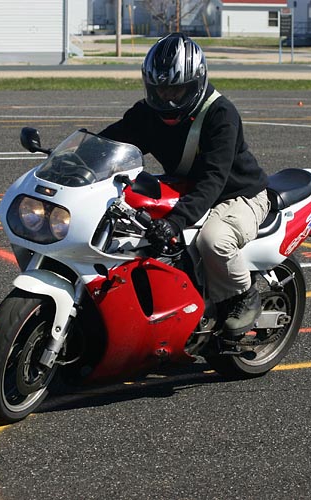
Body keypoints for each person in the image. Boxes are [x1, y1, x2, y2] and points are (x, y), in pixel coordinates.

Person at [99, 33, 270, 340]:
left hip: (239, 194)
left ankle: (243, 295)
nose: (168, 98)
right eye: (160, 88)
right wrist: (69, 158)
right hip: (188, 187)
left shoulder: (220, 114)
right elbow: (109, 143)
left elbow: (214, 179)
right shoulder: (147, 113)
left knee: (214, 241)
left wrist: (176, 222)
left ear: (196, 83)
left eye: (176, 88)